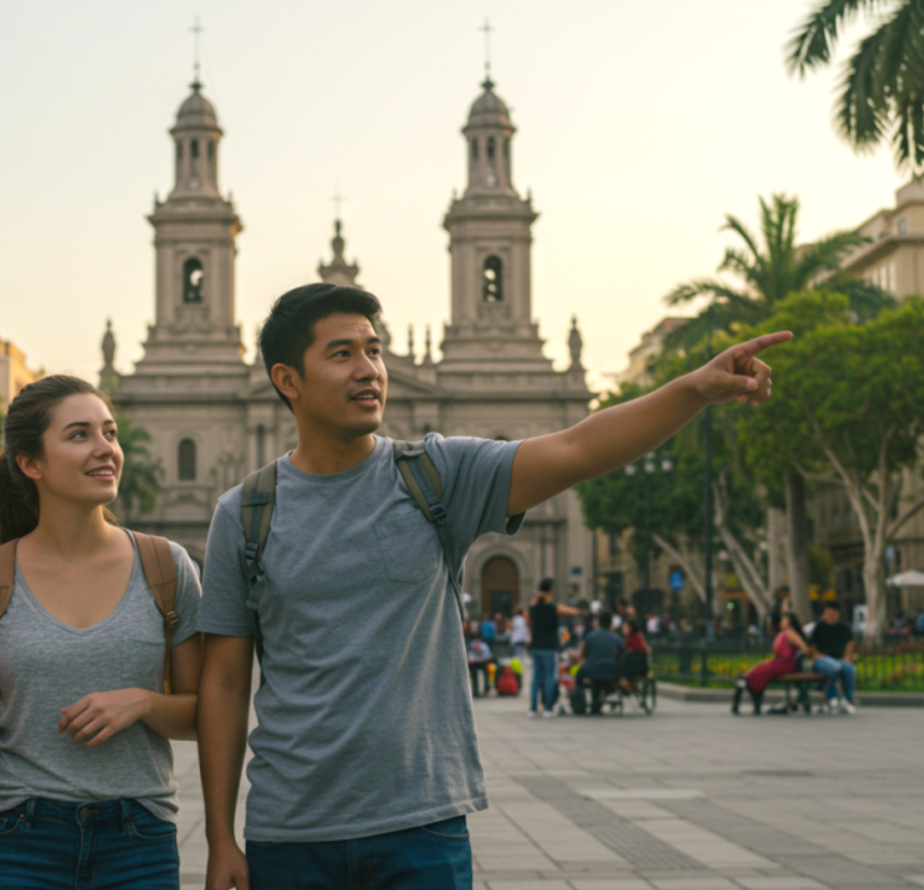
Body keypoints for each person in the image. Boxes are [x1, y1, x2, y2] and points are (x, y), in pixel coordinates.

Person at [193, 283, 784, 890]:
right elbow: (225, 681)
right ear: (288, 380)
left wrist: (694, 389)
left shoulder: (437, 474)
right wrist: (219, 838)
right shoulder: (244, 514)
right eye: (342, 354)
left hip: (422, 828)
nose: (369, 370)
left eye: (375, 350)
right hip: (292, 837)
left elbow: (578, 447)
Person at [0, 376, 204, 890]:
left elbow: (202, 713)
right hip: (17, 838)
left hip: (139, 842)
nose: (106, 449)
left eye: (110, 432)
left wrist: (142, 703)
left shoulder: (168, 568)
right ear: (30, 464)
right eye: (80, 435)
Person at [733, 613, 812, 715]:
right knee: (758, 671)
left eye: (784, 619)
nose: (781, 621)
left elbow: (804, 648)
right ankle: (753, 694)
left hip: (786, 664)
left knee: (759, 672)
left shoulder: (790, 632)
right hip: (779, 662)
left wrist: (799, 655)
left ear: (789, 621)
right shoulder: (783, 633)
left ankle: (753, 695)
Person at [527, 579, 581, 719]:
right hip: (549, 646)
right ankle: (548, 708)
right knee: (550, 677)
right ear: (551, 589)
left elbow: (529, 618)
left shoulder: (533, 608)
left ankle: (533, 709)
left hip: (535, 646)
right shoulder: (553, 608)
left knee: (536, 678)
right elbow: (572, 611)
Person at [810, 601, 858, 714]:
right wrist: (816, 655)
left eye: (833, 614)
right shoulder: (819, 627)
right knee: (833, 667)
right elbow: (812, 646)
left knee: (849, 668)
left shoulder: (844, 627)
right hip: (822, 659)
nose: (830, 617)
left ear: (838, 614)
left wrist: (848, 656)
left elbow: (850, 643)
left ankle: (848, 699)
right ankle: (832, 697)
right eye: (828, 614)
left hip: (838, 658)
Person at [577, 613, 625, 714]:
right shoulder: (616, 637)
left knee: (579, 674)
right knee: (602, 678)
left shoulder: (591, 636)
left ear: (599, 622)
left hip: (592, 668)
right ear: (611, 623)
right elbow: (621, 653)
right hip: (611, 669)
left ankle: (579, 699)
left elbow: (584, 652)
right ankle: (600, 699)